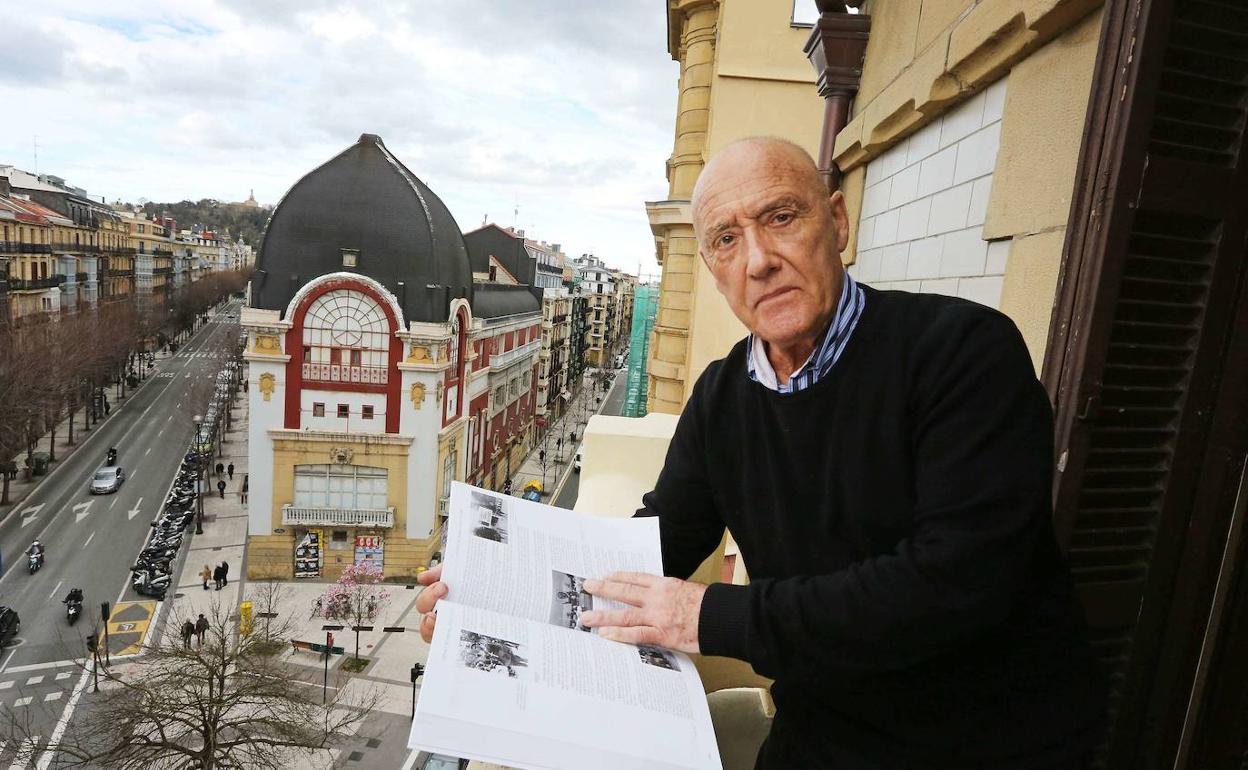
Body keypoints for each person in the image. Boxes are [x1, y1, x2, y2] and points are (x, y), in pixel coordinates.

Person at [419, 138, 1106, 768]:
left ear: (837, 222)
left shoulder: (962, 352)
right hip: (820, 739)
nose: (758, 260)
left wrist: (710, 616)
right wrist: (485, 594)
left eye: (780, 217)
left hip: (993, 743)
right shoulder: (723, 396)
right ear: (714, 268)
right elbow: (650, 548)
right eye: (726, 239)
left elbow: (954, 585)